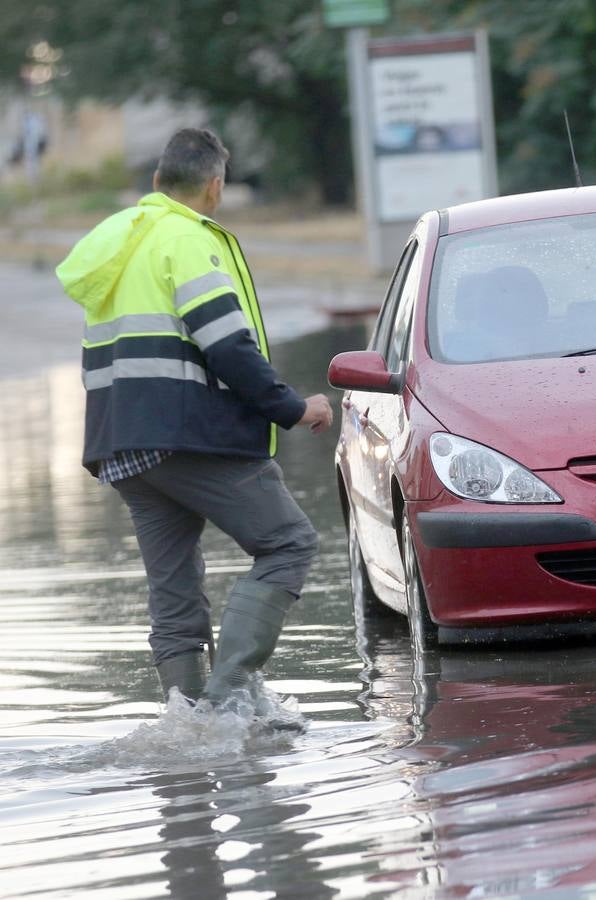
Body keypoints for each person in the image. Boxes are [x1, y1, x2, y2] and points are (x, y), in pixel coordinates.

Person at [55, 128, 333, 710]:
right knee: (288, 543)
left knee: (174, 593)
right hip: (188, 436)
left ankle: (187, 724)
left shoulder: (119, 243)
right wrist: (291, 408)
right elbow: (227, 346)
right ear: (215, 187)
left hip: (122, 446)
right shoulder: (185, 240)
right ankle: (229, 701)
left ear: (156, 182)